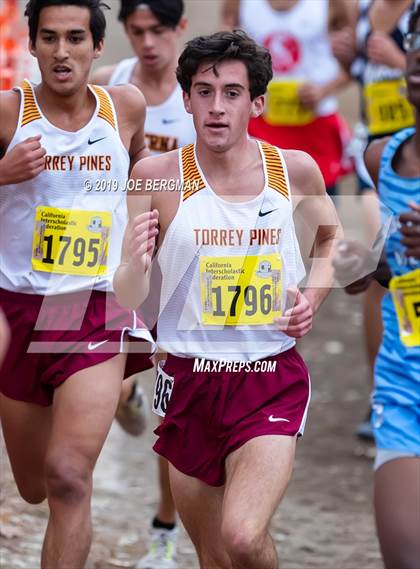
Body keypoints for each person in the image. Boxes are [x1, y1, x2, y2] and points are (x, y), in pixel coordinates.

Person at [114, 29, 341, 569]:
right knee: (215, 557)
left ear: (257, 102)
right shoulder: (154, 177)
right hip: (188, 382)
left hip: (269, 379)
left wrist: (311, 297)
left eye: (233, 93)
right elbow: (129, 297)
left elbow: (330, 242)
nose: (217, 107)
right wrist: (130, 262)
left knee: (242, 536)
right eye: (204, 91)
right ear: (186, 99)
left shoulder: (294, 171)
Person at [0, 1, 154, 567]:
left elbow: (144, 175)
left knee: (68, 479)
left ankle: (110, 383)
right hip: (18, 309)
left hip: (93, 303)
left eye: (74, 38)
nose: (62, 52)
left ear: (97, 47)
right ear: (33, 45)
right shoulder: (8, 114)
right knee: (34, 485)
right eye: (49, 38)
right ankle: (120, 394)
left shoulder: (125, 108)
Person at [92, 2, 196, 567]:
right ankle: (124, 391)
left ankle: (163, 528)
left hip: (179, 262)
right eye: (137, 31)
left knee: (170, 397)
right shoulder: (112, 85)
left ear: (180, 28)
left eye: (159, 30)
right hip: (114, 254)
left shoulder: (201, 91)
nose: (148, 42)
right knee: (98, 375)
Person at [334, 6, 420, 566]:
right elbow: (396, 275)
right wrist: (369, 270)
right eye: (416, 43)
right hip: (406, 387)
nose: (417, 59)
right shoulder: (380, 157)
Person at [221, 0, 353, 196]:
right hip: (261, 123)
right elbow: (224, 58)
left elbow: (355, 64)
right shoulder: (239, 4)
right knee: (262, 206)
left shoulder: (332, 4)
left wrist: (323, 91)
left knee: (320, 212)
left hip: (315, 124)